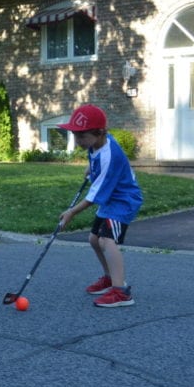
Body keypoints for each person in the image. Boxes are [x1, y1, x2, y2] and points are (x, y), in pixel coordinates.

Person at [57, 103, 144, 308]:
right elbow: (97, 156)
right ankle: (109, 278)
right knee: (94, 239)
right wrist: (90, 166)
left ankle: (121, 291)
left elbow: (94, 196)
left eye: (81, 136)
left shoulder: (109, 155)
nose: (77, 141)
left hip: (123, 201)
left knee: (106, 240)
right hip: (112, 197)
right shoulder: (97, 144)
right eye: (75, 135)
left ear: (99, 133)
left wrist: (72, 212)